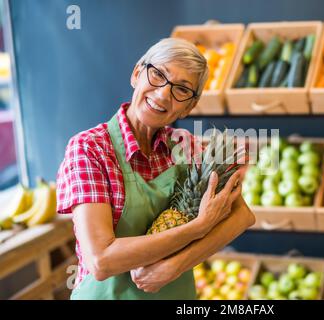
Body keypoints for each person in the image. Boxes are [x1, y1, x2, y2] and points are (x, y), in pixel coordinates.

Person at [56, 38, 255, 299]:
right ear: (137, 73)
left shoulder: (185, 147)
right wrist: (198, 227)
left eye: (182, 90)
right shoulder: (89, 149)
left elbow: (242, 216)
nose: (163, 94)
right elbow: (102, 260)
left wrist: (175, 266)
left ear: (190, 106)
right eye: (158, 74)